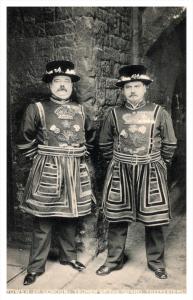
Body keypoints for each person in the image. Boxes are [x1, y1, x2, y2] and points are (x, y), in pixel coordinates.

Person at [17, 60, 96, 285]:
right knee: (43, 218)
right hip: (48, 168)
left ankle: (68, 257)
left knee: (70, 215)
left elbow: (89, 138)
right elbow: (25, 139)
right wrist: (41, 158)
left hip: (74, 167)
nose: (62, 85)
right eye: (57, 81)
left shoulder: (82, 110)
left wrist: (80, 156)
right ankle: (35, 267)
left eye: (66, 82)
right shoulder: (38, 108)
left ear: (72, 85)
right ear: (50, 85)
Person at [96, 64, 177, 279]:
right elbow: (104, 144)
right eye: (128, 86)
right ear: (123, 90)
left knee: (155, 219)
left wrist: (159, 164)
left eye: (137, 86)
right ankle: (113, 260)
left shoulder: (159, 112)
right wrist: (117, 161)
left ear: (145, 88)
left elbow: (169, 144)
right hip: (120, 170)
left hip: (151, 169)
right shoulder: (113, 114)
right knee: (117, 218)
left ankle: (157, 263)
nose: (132, 90)